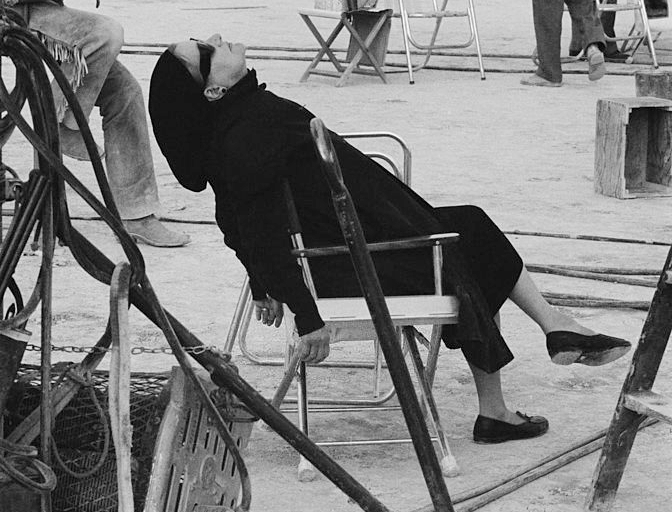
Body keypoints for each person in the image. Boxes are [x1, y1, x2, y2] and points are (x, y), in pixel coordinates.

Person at [148, 35, 632, 445]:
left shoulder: (244, 123)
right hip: (352, 263)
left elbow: (236, 223)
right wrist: (307, 315)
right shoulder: (247, 134)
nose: (218, 38)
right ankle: (514, 385)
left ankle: (539, 348)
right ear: (214, 89)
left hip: (361, 244)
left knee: (468, 227)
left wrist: (261, 283)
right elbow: (256, 229)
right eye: (207, 50)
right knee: (465, 242)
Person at [0, 0, 188, 247]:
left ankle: (136, 211)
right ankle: (66, 124)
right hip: (11, 11)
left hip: (37, 2)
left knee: (124, 92)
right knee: (104, 34)